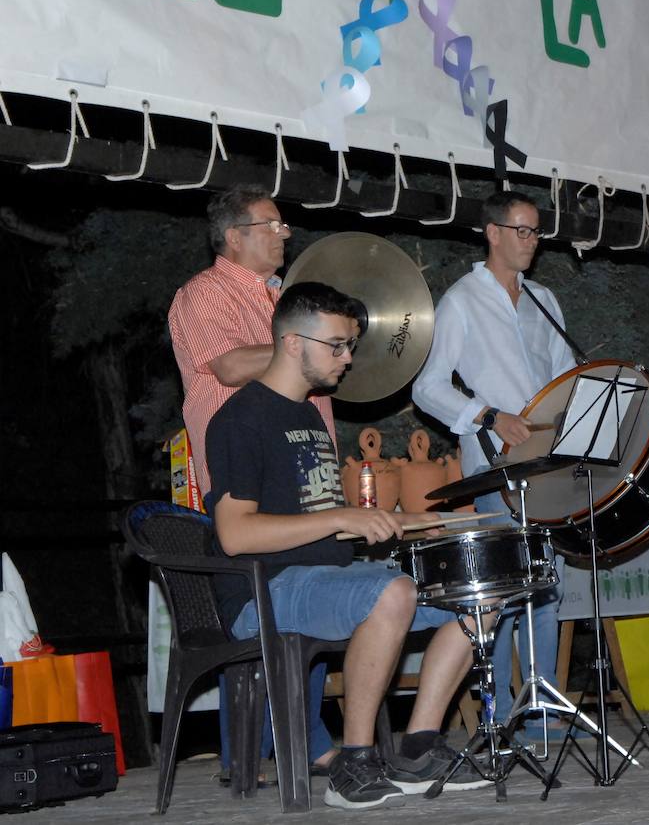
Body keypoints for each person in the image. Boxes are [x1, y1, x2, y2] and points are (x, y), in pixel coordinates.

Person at [204, 282, 487, 810]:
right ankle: (352, 764)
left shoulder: (311, 416)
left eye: (349, 345)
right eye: (336, 345)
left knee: (477, 592)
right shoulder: (240, 420)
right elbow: (235, 534)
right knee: (392, 593)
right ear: (292, 343)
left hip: (326, 580)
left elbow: (314, 519)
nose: (348, 358)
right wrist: (342, 516)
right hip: (264, 590)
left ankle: (420, 747)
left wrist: (411, 521)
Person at [167, 185, 336, 777]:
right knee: (264, 602)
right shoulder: (203, 293)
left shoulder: (285, 297)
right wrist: (301, 348)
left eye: (285, 224)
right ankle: (258, 754)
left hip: (304, 470)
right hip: (246, 477)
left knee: (318, 593)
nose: (285, 233)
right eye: (272, 224)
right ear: (234, 235)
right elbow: (230, 366)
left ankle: (300, 745)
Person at [411, 190, 577, 737]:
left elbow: (566, 378)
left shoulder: (544, 300)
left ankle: (542, 709)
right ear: (493, 232)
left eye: (536, 232)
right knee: (503, 590)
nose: (532, 242)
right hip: (497, 465)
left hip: (545, 466)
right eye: (522, 231)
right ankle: (499, 714)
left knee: (544, 585)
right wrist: (486, 414)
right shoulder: (461, 300)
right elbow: (428, 386)